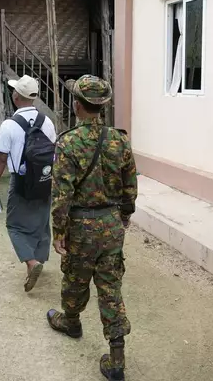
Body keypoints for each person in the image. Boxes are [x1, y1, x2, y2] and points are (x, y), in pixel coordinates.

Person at [45, 75, 138, 381]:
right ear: (102, 106)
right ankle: (117, 358)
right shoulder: (119, 140)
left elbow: (62, 192)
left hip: (81, 226)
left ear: (77, 105)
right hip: (111, 224)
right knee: (110, 287)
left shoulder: (68, 142)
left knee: (74, 277)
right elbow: (130, 185)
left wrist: (59, 230)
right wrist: (124, 214)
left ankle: (71, 322)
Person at [0, 75, 57, 292]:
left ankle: (31, 262)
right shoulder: (47, 121)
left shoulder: (9, 125)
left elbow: (0, 159)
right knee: (41, 223)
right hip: (45, 179)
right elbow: (54, 154)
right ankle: (38, 261)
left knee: (14, 225)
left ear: (16, 97)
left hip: (21, 181)